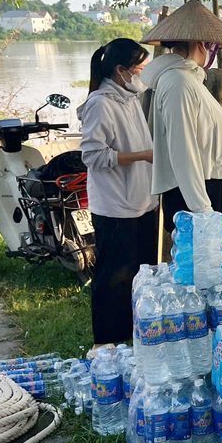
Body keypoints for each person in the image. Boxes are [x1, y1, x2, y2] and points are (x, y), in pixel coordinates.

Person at [139, 0, 222, 232]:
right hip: (199, 193)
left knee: (212, 264)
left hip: (211, 187)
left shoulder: (187, 79)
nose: (211, 52)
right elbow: (182, 148)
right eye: (211, 47)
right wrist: (202, 209)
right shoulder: (178, 82)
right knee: (198, 265)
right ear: (200, 44)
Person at [80, 38, 158, 354]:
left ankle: (136, 336)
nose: (142, 75)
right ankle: (104, 343)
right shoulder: (100, 103)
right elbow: (94, 155)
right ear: (120, 70)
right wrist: (142, 156)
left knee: (141, 275)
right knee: (113, 277)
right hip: (114, 205)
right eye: (139, 69)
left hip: (142, 200)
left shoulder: (130, 99)